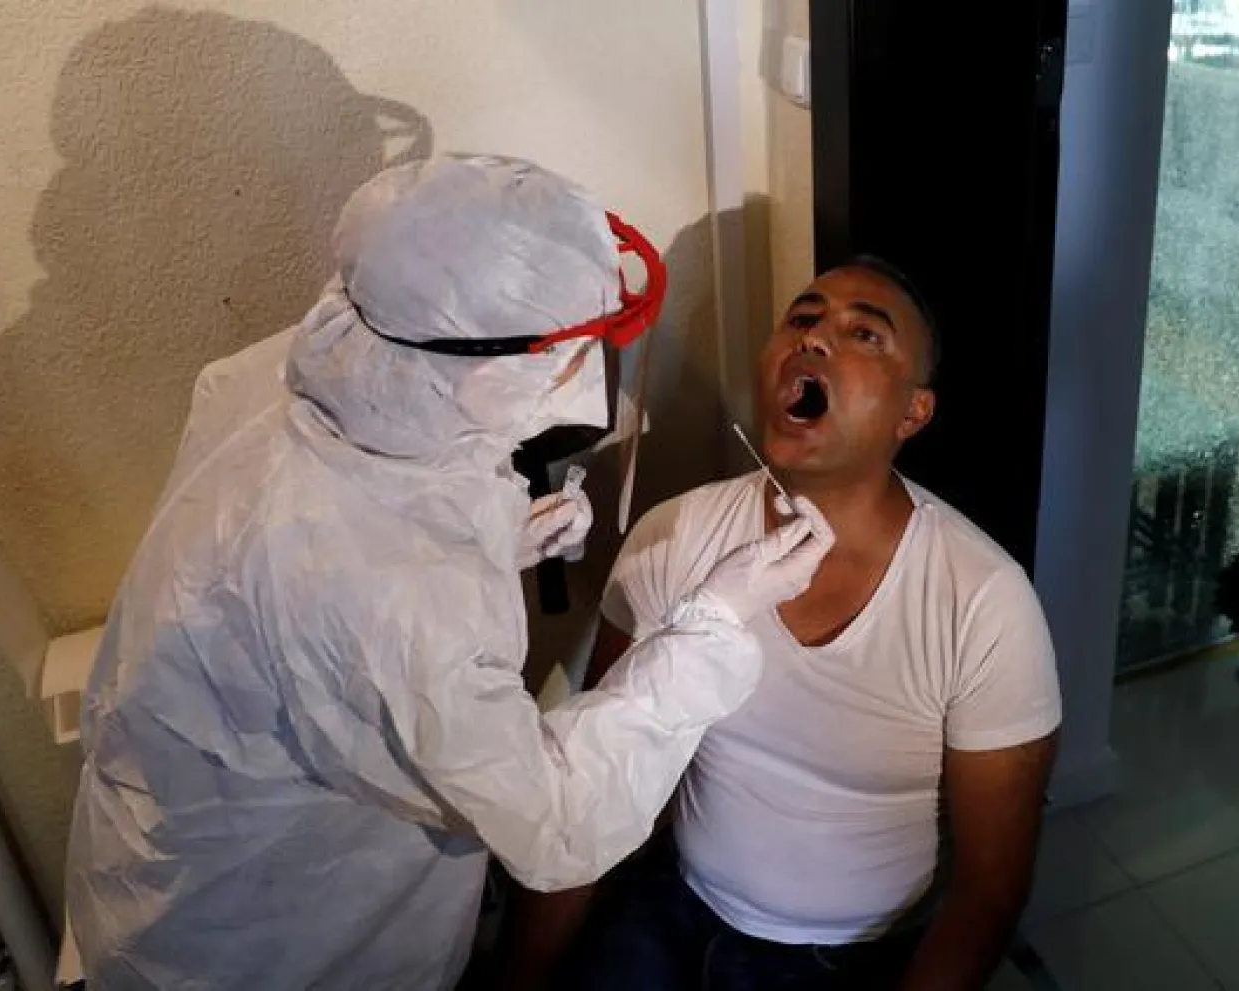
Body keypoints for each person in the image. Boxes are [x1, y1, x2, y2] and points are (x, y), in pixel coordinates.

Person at [64, 155, 834, 991]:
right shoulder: (395, 597)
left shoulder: (331, 358)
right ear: (494, 372)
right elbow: (554, 821)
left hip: (190, 850)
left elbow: (348, 519)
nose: (587, 371)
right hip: (268, 946)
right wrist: (715, 624)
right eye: (575, 354)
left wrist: (493, 536)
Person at [503, 257, 1062, 990]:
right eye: (802, 318)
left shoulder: (985, 601)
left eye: (865, 333)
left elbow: (989, 892)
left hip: (853, 955)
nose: (815, 338)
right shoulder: (673, 536)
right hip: (674, 907)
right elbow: (598, 785)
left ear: (913, 413)